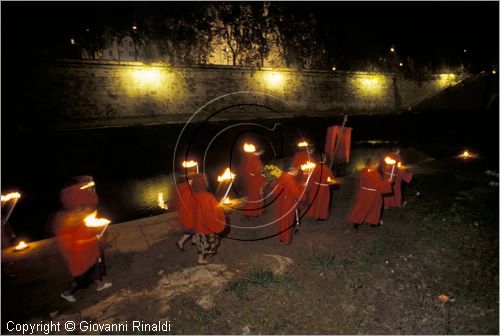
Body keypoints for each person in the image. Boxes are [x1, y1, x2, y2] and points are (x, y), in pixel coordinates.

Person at [55, 176, 111, 303]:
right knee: (83, 274)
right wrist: (93, 238)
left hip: (88, 247)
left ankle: (99, 284)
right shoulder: (69, 220)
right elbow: (75, 243)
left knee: (95, 262)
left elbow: (93, 201)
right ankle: (67, 292)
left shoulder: (80, 211)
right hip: (80, 253)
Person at [190, 173, 226, 264]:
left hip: (198, 224)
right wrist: (219, 205)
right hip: (208, 225)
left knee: (201, 242)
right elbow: (214, 210)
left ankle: (201, 258)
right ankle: (209, 254)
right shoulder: (208, 197)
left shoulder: (193, 195)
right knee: (213, 241)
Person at [348, 159, 392, 228]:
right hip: (374, 194)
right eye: (377, 164)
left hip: (365, 193)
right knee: (374, 208)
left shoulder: (364, 171)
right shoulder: (376, 174)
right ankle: (373, 222)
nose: (378, 165)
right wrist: (388, 182)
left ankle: (356, 221)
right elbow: (378, 185)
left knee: (362, 207)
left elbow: (363, 182)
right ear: (374, 164)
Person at [274, 167, 303, 244]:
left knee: (282, 220)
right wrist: (303, 187)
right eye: (297, 171)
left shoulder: (282, 176)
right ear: (293, 171)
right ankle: (286, 239)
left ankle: (281, 236)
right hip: (288, 203)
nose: (298, 173)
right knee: (288, 221)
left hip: (280, 201)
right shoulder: (291, 181)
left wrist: (299, 186)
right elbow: (298, 194)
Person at [304, 154, 335, 220]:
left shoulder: (315, 168)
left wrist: (309, 187)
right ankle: (322, 216)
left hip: (316, 187)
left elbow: (311, 178)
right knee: (323, 202)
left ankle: (316, 215)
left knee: (317, 201)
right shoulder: (326, 169)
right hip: (324, 189)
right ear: (324, 160)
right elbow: (331, 180)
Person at [240, 146, 266, 217]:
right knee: (255, 197)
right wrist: (264, 180)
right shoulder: (256, 160)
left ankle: (258, 212)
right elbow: (259, 171)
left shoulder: (250, 158)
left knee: (255, 197)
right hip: (256, 181)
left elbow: (248, 170)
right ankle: (249, 213)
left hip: (252, 181)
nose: (262, 153)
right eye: (261, 152)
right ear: (259, 151)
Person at [174, 172, 197, 250]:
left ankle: (194, 240)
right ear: (190, 180)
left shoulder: (184, 187)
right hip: (188, 212)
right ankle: (180, 242)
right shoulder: (188, 189)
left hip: (186, 211)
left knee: (195, 227)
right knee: (190, 229)